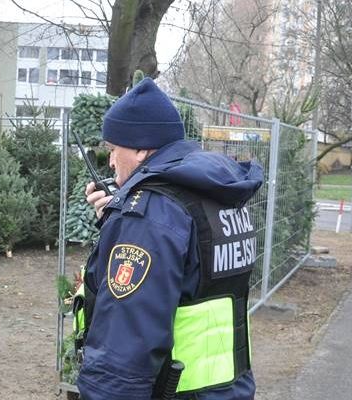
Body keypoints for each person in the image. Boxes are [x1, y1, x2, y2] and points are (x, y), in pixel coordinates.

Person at [73, 78, 264, 400]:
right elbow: (192, 270)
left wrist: (131, 221)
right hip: (227, 389)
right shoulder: (213, 192)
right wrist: (117, 219)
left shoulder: (149, 215)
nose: (110, 161)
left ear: (139, 147)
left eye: (112, 149)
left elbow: (124, 347)